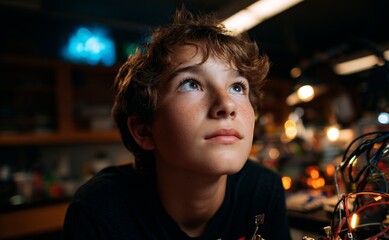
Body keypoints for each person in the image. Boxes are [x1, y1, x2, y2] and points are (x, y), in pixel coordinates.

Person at [62, 7, 291, 240]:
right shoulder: (99, 213)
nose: (227, 104)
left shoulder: (263, 190)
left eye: (237, 87)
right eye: (191, 84)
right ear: (144, 130)